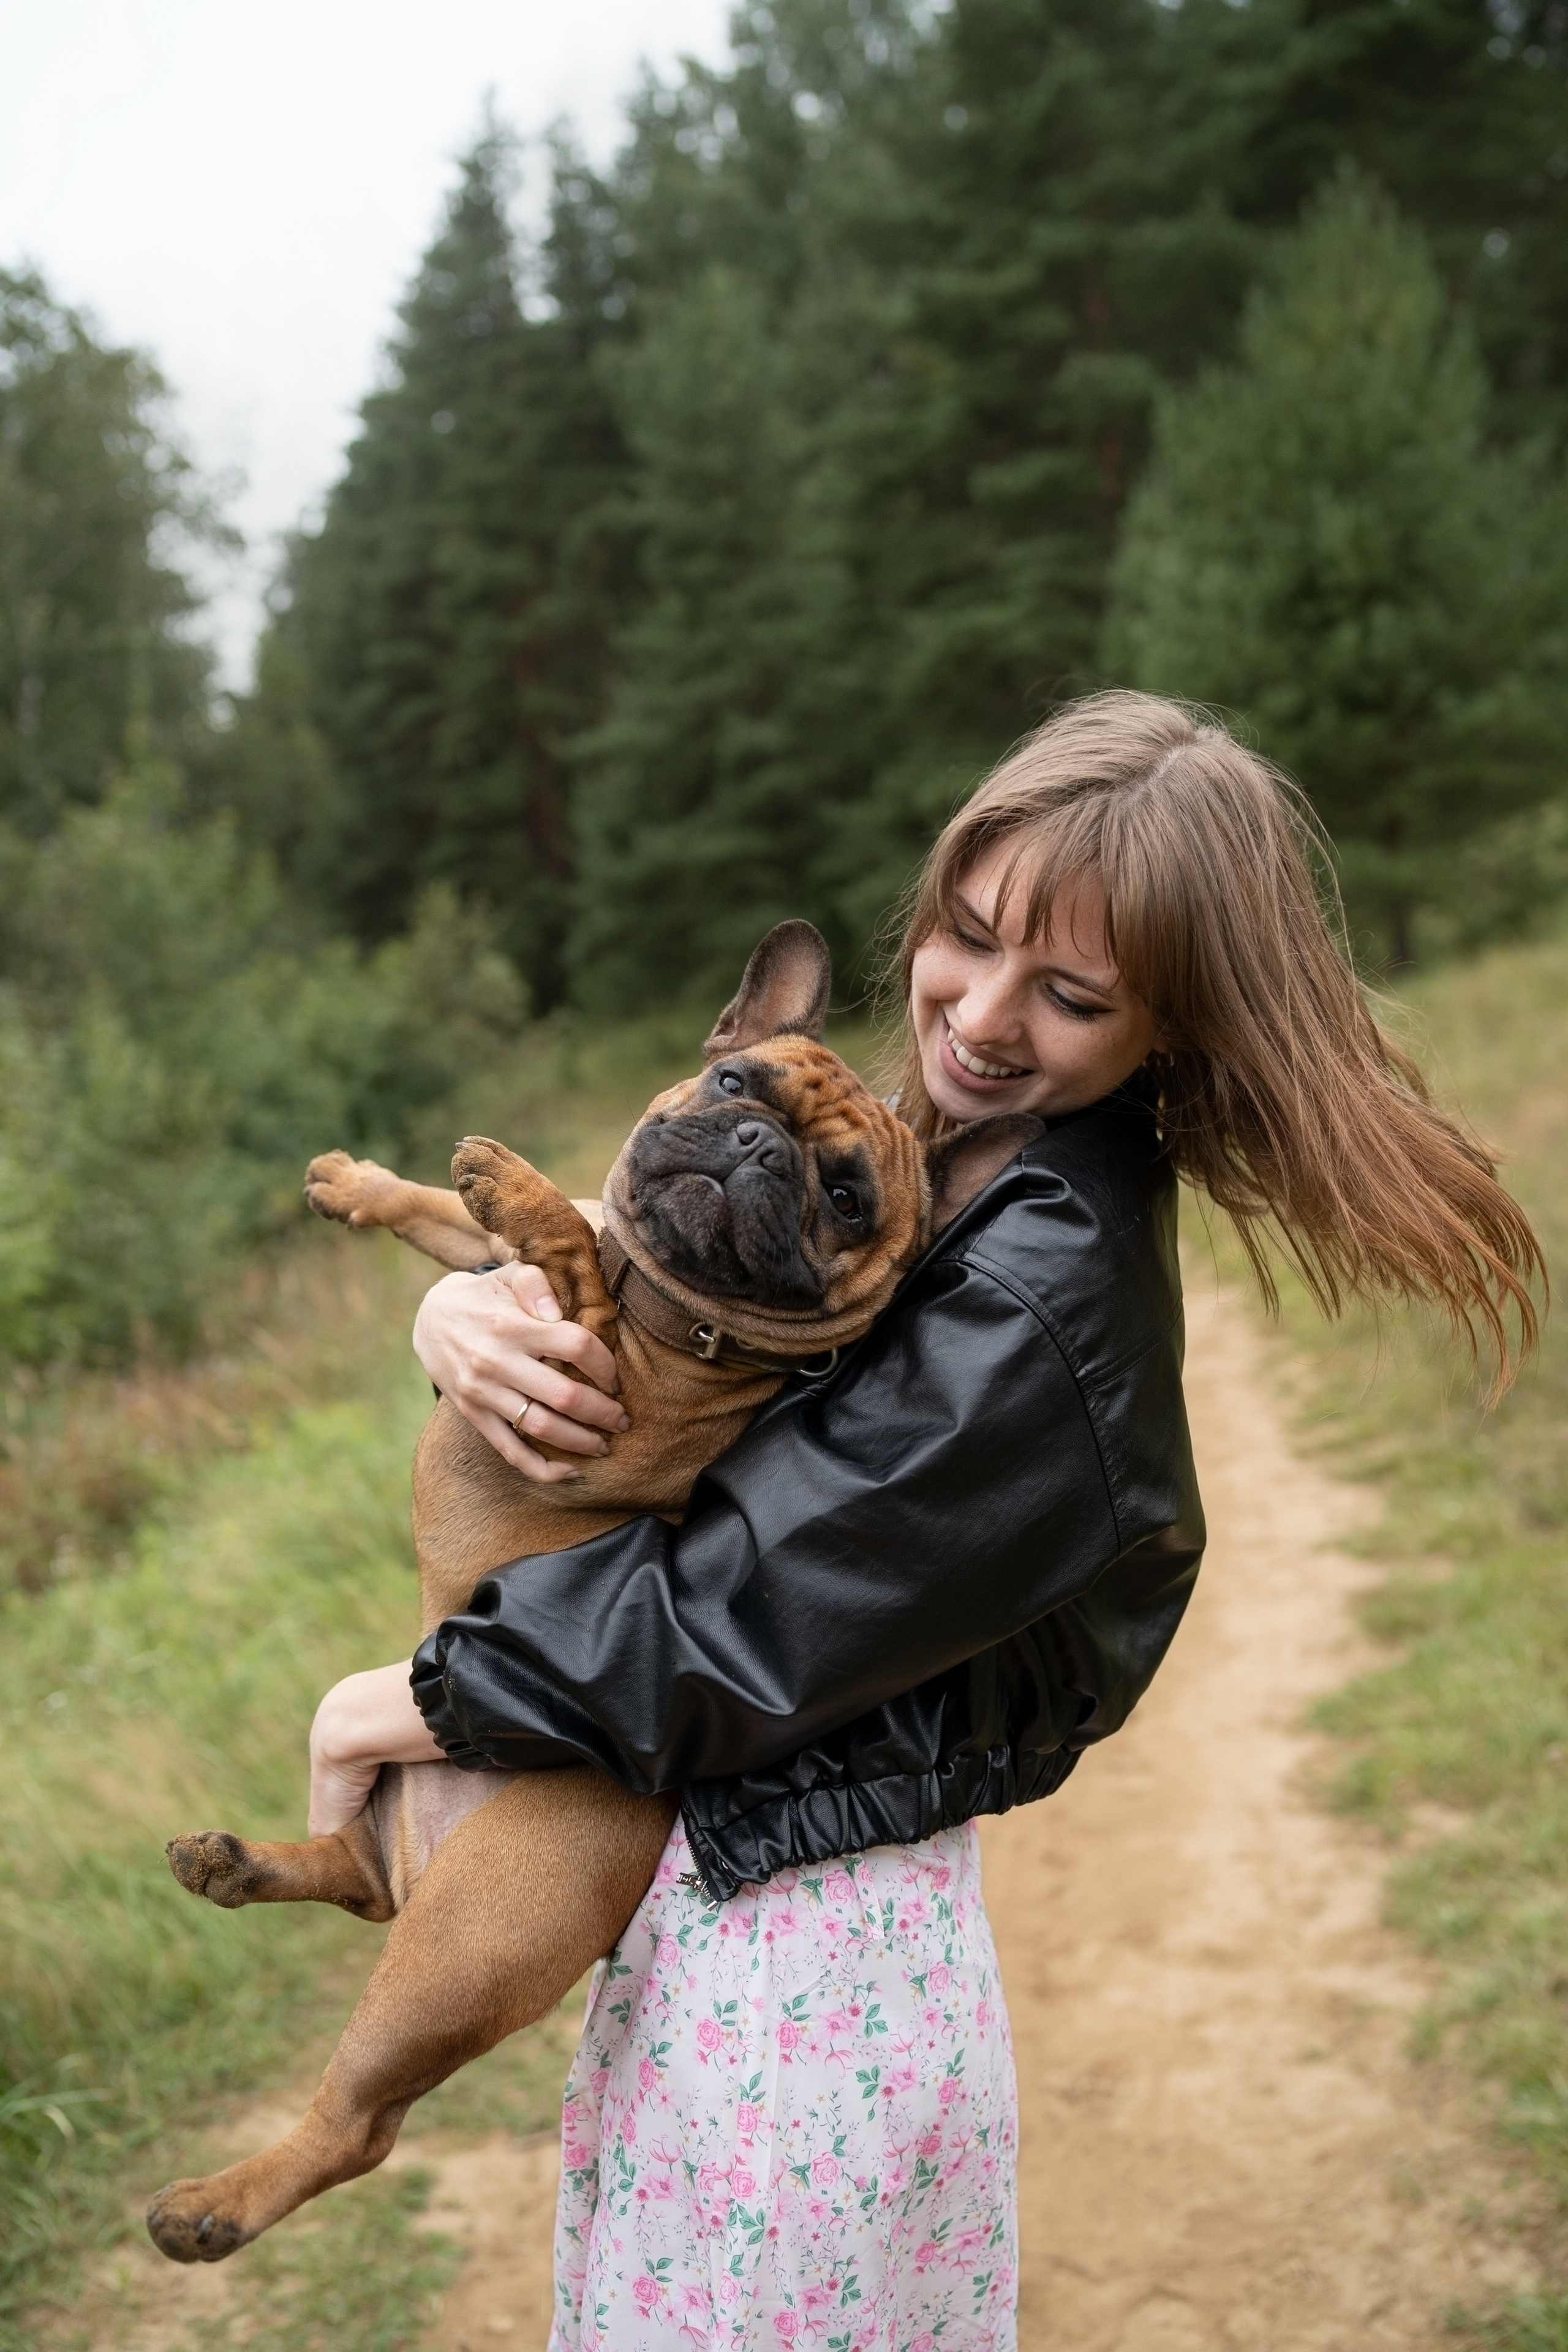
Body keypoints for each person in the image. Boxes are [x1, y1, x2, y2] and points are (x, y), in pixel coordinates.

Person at [308, 692, 1542, 2350]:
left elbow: (739, 1617)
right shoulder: (948, 1158)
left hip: (808, 1976)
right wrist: (455, 1318)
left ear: (1174, 1021)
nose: (983, 1013)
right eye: (970, 938)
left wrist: (411, 1697)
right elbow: (678, 1350)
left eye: (1075, 995)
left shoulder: (1041, 1292)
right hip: (746, 1906)